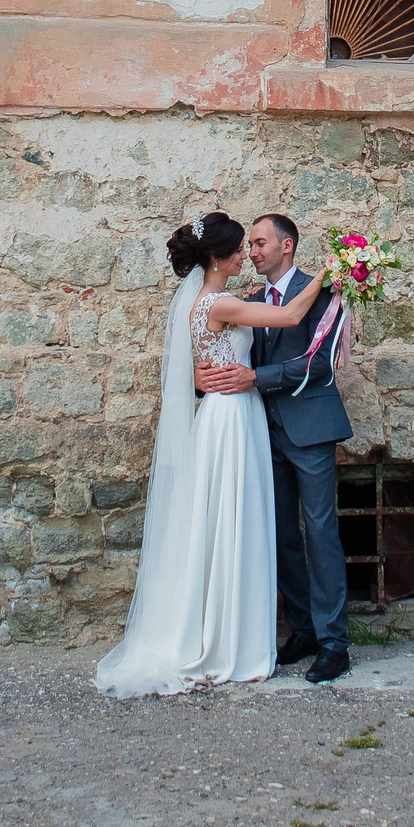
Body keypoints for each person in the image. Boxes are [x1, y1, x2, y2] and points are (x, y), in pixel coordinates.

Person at [93, 210, 330, 698]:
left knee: (225, 520)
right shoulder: (220, 303)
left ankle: (225, 630)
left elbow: (216, 355)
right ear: (219, 258)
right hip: (231, 418)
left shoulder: (208, 302)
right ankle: (228, 640)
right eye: (241, 248)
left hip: (229, 413)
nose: (247, 255)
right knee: (232, 520)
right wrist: (330, 275)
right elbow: (289, 316)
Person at [194, 212, 354, 684]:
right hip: (262, 432)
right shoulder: (249, 301)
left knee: (320, 533)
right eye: (250, 245)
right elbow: (226, 352)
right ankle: (303, 630)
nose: (252, 252)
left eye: (261, 243)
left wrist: (255, 378)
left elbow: (321, 363)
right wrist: (202, 378)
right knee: (281, 534)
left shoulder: (322, 292)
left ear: (287, 246)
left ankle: (334, 644)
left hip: (311, 429)